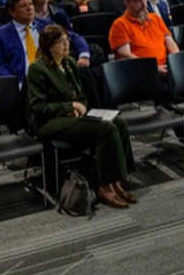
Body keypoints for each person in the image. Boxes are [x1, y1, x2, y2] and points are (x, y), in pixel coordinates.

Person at [27, 25, 136, 209]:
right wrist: (69, 107)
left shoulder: (69, 63)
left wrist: (80, 106)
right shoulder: (38, 69)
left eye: (67, 40)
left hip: (75, 116)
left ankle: (117, 181)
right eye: (61, 41)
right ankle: (105, 187)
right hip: (50, 122)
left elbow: (80, 94)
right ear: (49, 46)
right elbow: (38, 107)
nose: (66, 44)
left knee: (119, 122)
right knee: (106, 129)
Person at [108, 0, 184, 157]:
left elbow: (171, 43)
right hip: (140, 74)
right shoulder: (120, 25)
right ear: (127, 3)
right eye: (138, 1)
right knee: (168, 96)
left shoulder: (155, 19)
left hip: (165, 67)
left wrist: (176, 64)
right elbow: (125, 55)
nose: (143, 4)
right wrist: (154, 69)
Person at [0, 0, 89, 87]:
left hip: (53, 77)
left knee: (85, 76)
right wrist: (16, 86)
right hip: (23, 83)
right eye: (23, 6)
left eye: (31, 4)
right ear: (11, 12)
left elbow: (74, 37)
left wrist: (84, 56)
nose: (29, 8)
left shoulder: (45, 24)